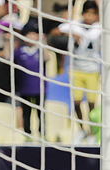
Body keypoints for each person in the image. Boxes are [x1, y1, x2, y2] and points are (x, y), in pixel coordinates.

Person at [58, 0, 101, 141]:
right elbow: (57, 30)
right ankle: (82, 129)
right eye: (86, 13)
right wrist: (67, 33)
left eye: (92, 13)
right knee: (76, 102)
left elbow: (94, 37)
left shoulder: (99, 28)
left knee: (92, 104)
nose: (89, 16)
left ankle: (93, 132)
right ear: (82, 13)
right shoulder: (75, 25)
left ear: (97, 15)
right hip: (76, 69)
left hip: (92, 70)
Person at [15, 22, 48, 136]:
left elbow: (47, 58)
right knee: (26, 113)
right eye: (28, 34)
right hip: (25, 88)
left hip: (39, 88)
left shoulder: (40, 50)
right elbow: (7, 57)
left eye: (34, 34)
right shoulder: (20, 51)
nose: (31, 37)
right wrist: (7, 42)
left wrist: (43, 42)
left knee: (41, 113)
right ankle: (27, 134)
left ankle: (43, 134)